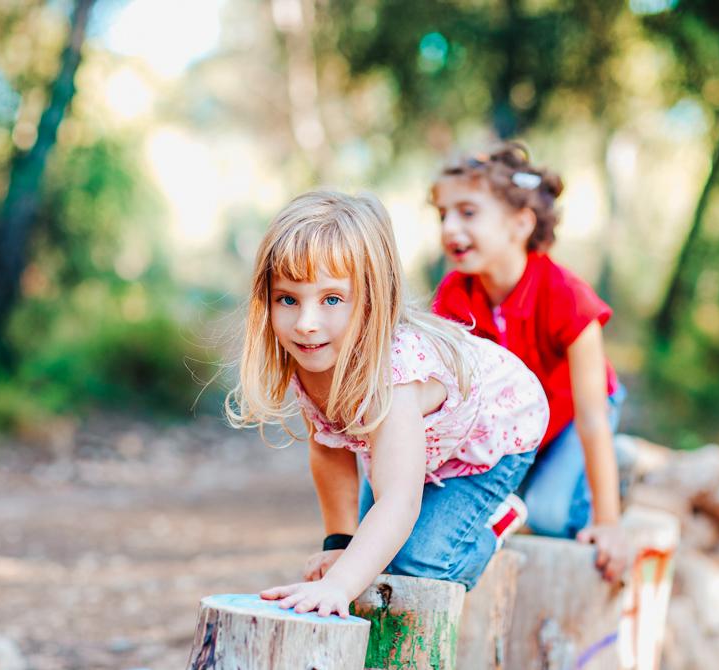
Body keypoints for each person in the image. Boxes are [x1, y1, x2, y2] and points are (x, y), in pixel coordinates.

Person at [226, 190, 548, 617]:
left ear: (373, 299)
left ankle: (497, 520)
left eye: (332, 300)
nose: (306, 323)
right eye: (288, 299)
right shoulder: (312, 354)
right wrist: (339, 545)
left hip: (497, 432)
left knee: (418, 563)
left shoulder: (392, 378)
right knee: (370, 553)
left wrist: (339, 586)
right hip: (423, 441)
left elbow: (398, 500)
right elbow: (328, 448)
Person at [430, 143, 630, 582]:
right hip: (517, 428)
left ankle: (615, 471)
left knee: (550, 513)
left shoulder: (567, 298)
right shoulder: (454, 296)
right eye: (442, 214)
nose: (449, 228)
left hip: (579, 416)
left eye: (466, 212)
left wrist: (609, 523)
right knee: (496, 505)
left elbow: (592, 417)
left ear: (521, 223)